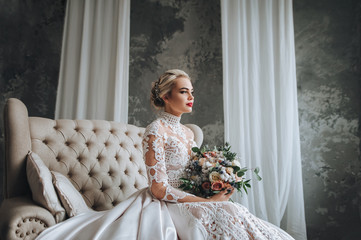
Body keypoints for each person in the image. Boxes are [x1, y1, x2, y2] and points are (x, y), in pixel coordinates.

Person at [37, 69, 294, 240]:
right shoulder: (155, 130)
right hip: (163, 204)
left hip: (187, 197)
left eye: (192, 91)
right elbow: (159, 189)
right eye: (184, 91)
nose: (191, 96)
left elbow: (192, 175)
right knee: (219, 213)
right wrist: (208, 202)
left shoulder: (188, 133)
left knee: (235, 211)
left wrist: (215, 186)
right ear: (165, 96)